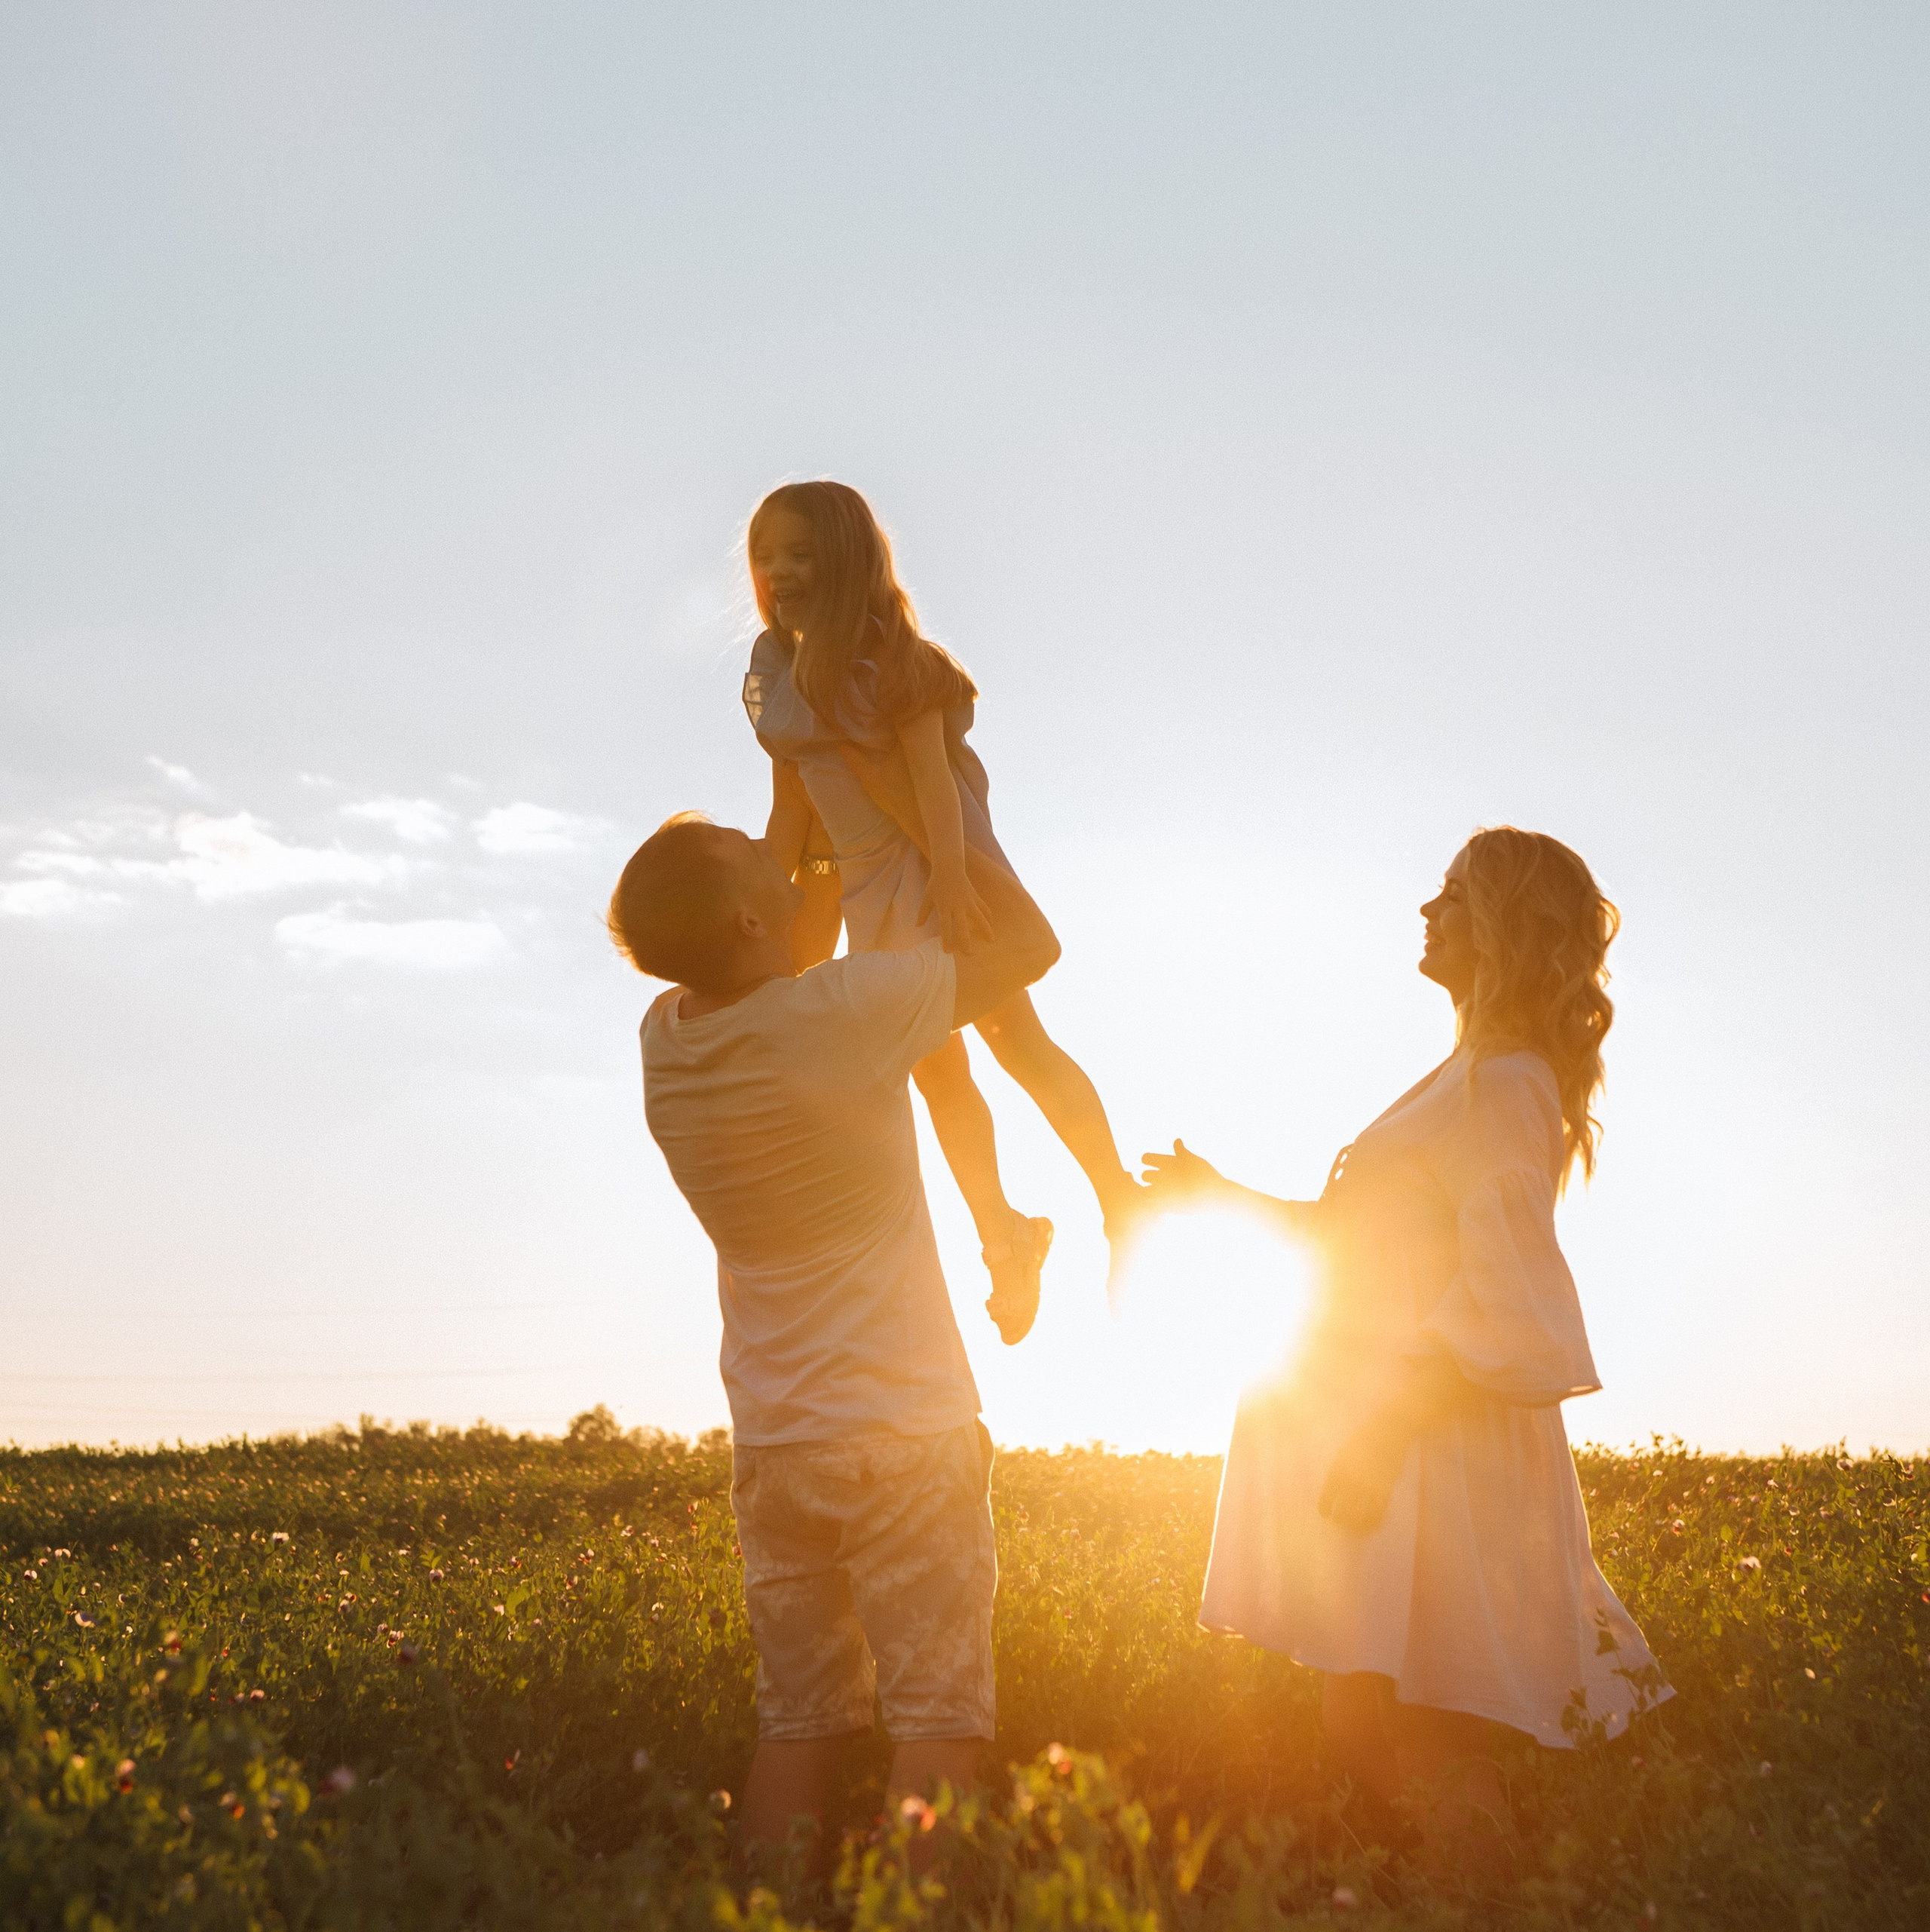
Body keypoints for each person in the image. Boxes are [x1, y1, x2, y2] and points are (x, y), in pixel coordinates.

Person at [1144, 826, 1671, 1878]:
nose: (1427, 912)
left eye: (1455, 897)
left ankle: (1498, 1902)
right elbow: (1364, 1247)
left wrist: (1380, 1436)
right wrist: (1225, 1200)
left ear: (1510, 929)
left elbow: (1510, 1299)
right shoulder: (1466, 1074)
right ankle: (1469, 1894)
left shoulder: (1509, 1084)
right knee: (1363, 1729)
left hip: (1424, 1446)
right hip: (1389, 1439)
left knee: (1421, 1735)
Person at [608, 796, 1060, 1875]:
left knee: (799, 1722)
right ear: (752, 925)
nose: (777, 857)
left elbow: (775, 934)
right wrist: (954, 819)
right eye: (750, 854)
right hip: (904, 1433)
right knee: (938, 1721)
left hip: (776, 1445)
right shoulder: (848, 1010)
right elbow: (1035, 948)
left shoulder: (667, 1044)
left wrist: (796, 810)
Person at [743, 479, 1145, 1343]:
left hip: (936, 875)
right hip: (867, 892)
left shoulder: (894, 658)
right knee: (937, 1072)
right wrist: (770, 909)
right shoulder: (775, 676)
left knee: (1017, 1043)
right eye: (768, 556)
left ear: (848, 562)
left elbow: (931, 779)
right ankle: (1004, 1232)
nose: (782, 571)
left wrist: (957, 884)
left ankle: (1116, 1200)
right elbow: (793, 815)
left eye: (803, 554)